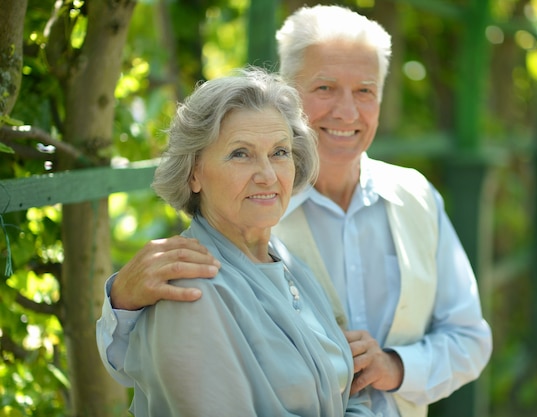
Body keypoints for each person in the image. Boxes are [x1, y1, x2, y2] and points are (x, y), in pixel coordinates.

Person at [97, 5, 492, 417]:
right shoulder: (240, 223)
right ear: (289, 89)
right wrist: (122, 304)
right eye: (325, 88)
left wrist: (396, 367)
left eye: (365, 91)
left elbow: (468, 337)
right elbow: (154, 361)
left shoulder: (412, 199)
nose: (347, 111)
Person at [102, 67, 375, 416]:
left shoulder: (288, 263)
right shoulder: (188, 285)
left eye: (279, 152)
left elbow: (350, 395)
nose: (267, 175)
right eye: (240, 154)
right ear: (194, 173)